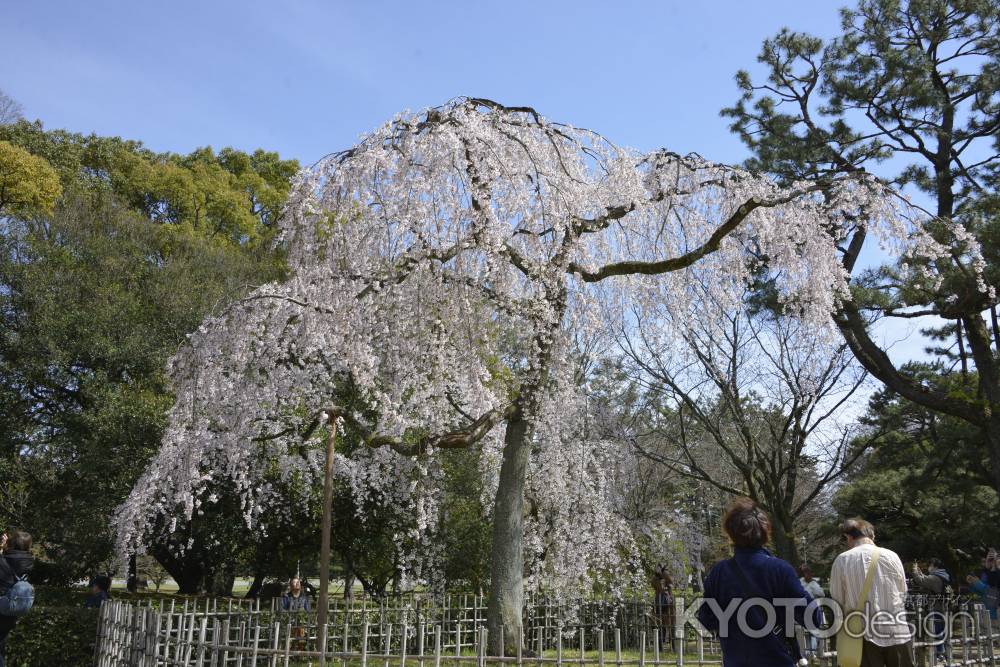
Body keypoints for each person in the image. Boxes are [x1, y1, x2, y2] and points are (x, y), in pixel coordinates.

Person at [697, 497, 819, 667]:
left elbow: (705, 619)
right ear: (765, 531)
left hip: (736, 660)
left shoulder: (719, 572)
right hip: (777, 659)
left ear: (731, 533)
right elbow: (813, 618)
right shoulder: (780, 569)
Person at [829, 518, 913, 667]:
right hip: (897, 632)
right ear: (872, 535)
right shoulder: (892, 556)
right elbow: (903, 593)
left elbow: (837, 601)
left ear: (849, 537)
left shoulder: (842, 560)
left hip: (862, 636)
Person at [0, 530, 33, 667]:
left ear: (11, 543)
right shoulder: (29, 561)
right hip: (11, 611)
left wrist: (2, 547)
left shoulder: (5, 559)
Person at [911, 558, 950, 658]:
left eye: (930, 565)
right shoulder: (944, 576)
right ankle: (945, 653)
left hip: (936, 607)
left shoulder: (935, 578)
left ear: (934, 566)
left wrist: (914, 570)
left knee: (937, 631)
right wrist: (921, 573)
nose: (929, 567)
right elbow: (927, 579)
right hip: (945, 606)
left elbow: (920, 581)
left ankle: (940, 654)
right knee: (943, 630)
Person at [798, 566, 824, 657]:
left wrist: (812, 586)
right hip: (802, 609)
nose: (807, 575)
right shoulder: (800, 582)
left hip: (813, 610)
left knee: (813, 632)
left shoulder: (814, 584)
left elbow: (821, 593)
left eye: (809, 573)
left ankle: (812, 653)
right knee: (803, 632)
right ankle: (806, 652)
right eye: (805, 573)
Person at [652, 566, 676, 650]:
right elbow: (658, 587)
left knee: (672, 624)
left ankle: (673, 645)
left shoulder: (667, 578)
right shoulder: (655, 579)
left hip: (668, 602)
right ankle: (660, 646)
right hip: (660, 602)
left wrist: (665, 575)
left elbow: (671, 584)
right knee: (660, 624)